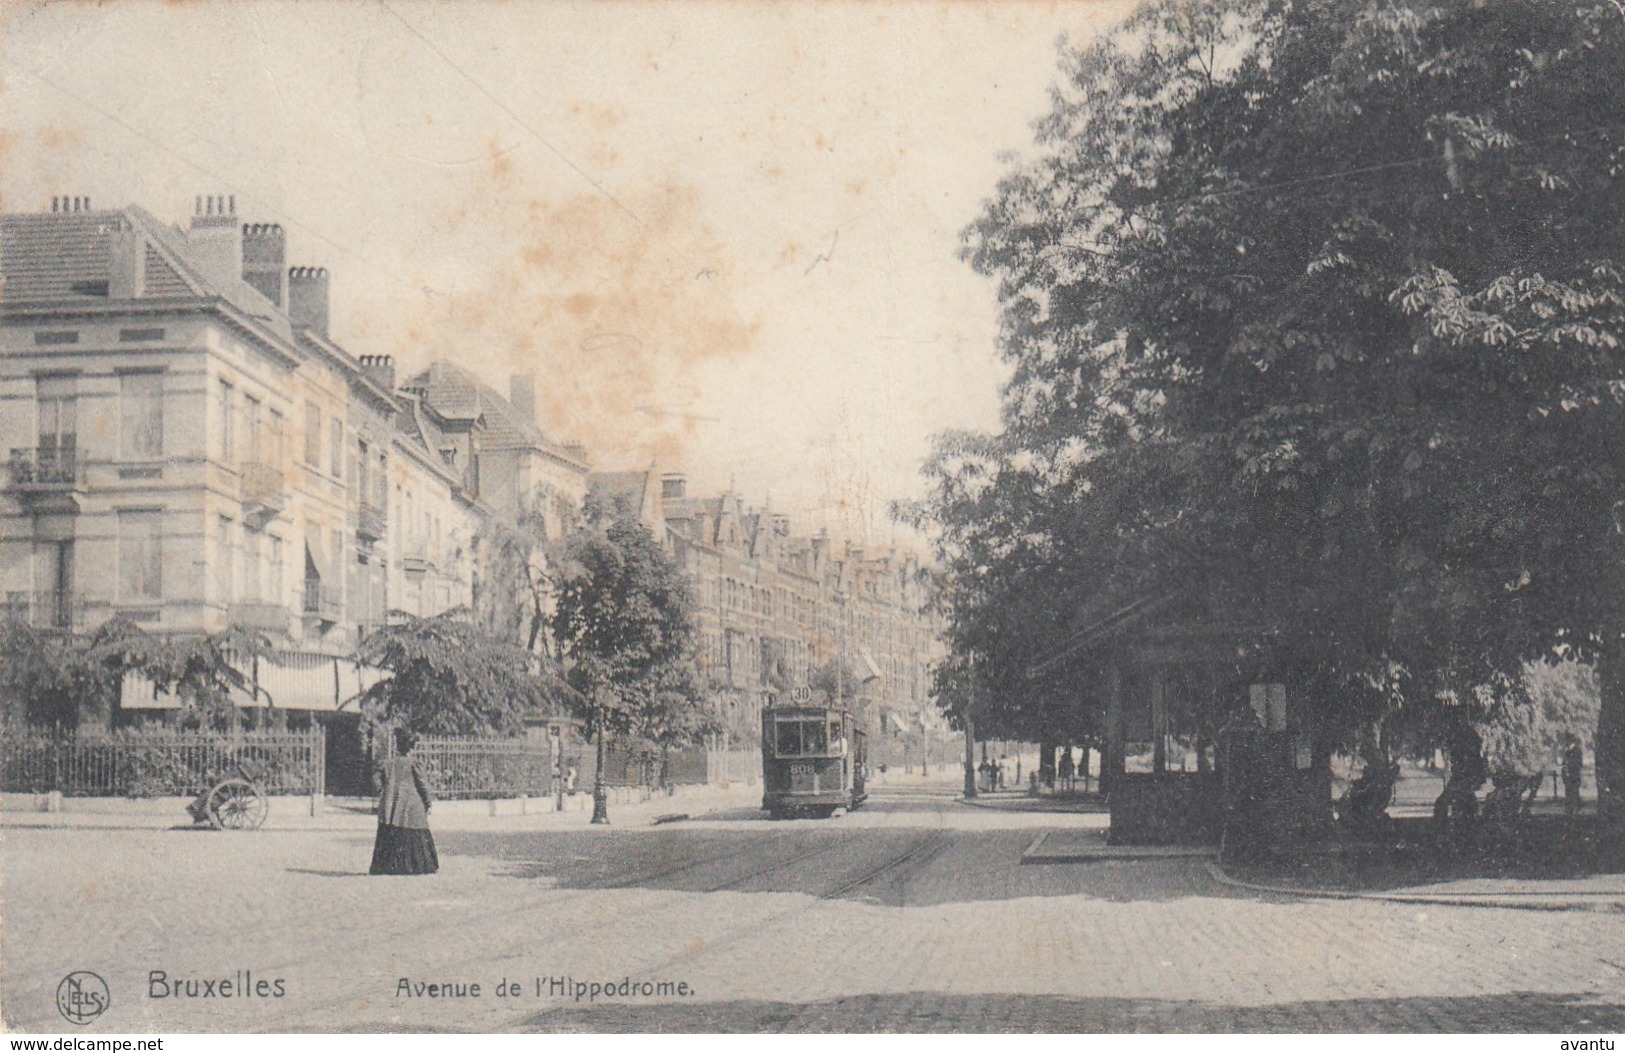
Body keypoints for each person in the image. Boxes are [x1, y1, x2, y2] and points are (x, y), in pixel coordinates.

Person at [370, 728, 438, 876]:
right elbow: (422, 784)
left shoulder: (387, 764)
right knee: (414, 830)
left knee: (390, 830)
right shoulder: (414, 764)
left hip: (391, 804)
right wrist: (428, 802)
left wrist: (383, 789)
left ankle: (387, 866)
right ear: (412, 748)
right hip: (412, 805)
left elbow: (375, 782)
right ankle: (415, 866)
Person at [1563, 740, 1585, 818]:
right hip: (1568, 775)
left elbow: (1579, 763)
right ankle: (1570, 808)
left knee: (1575, 791)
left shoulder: (1577, 751)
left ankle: (1575, 808)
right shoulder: (1566, 751)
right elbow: (1564, 764)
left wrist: (1572, 769)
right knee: (1568, 791)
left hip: (1574, 774)